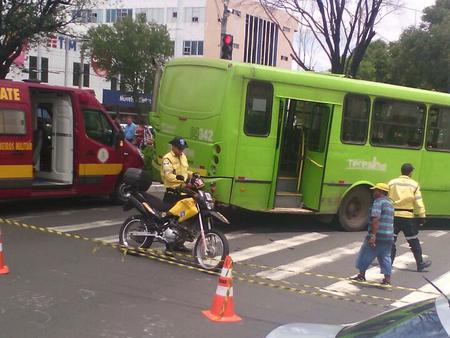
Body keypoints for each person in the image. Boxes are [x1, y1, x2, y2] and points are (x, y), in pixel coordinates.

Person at [389, 163, 432, 272]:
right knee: (413, 241)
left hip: (393, 215)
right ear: (410, 172)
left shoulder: (392, 183)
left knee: (391, 240)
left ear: (401, 171)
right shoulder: (414, 184)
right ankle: (420, 264)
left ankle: (388, 263)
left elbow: (387, 198)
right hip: (407, 217)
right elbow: (418, 201)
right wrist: (422, 215)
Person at [351, 183, 394, 286]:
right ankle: (387, 280)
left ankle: (361, 276)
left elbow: (376, 219)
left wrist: (373, 236)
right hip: (389, 235)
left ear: (381, 192)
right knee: (385, 256)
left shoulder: (378, 202)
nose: (374, 192)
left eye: (376, 190)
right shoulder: (390, 203)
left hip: (378, 234)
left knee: (366, 253)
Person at [160, 136, 193, 253]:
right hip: (172, 193)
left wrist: (192, 175)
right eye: (179, 148)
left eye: (183, 148)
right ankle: (168, 246)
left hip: (182, 192)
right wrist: (182, 181)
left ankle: (179, 244)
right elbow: (168, 176)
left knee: (183, 219)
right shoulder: (167, 159)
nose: (181, 151)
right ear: (173, 147)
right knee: (169, 220)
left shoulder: (183, 157)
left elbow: (185, 171)